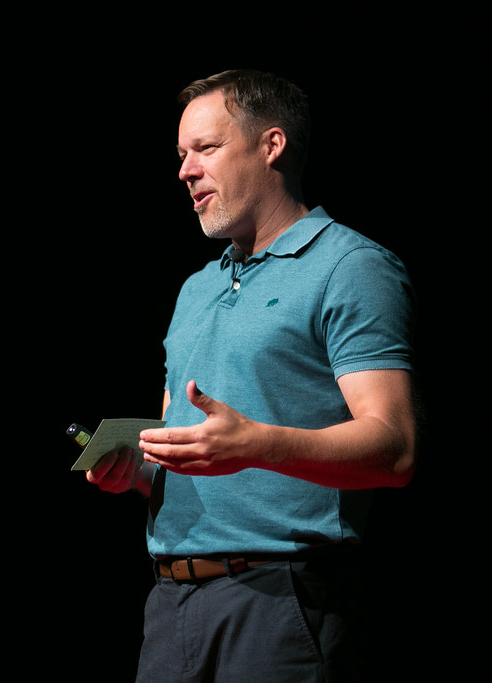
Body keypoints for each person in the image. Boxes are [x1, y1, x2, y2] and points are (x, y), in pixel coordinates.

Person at [85, 69, 418, 681]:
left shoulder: (349, 266)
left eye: (206, 149)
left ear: (272, 146)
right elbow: (184, 452)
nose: (185, 171)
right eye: (182, 155)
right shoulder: (196, 288)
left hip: (280, 602)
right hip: (170, 607)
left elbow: (394, 450)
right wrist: (134, 470)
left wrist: (257, 445)